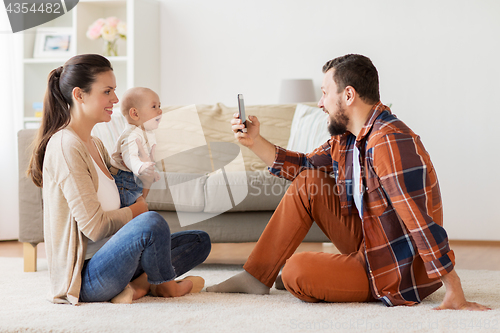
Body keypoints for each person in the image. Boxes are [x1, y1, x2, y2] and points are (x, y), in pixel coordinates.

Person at [207, 54, 491, 310]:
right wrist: (254, 141)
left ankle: (312, 277)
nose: (320, 103)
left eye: (325, 93)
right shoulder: (346, 139)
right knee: (309, 181)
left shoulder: (389, 141)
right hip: (371, 240)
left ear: (349, 95)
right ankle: (256, 276)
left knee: (296, 270)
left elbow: (417, 217)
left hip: (396, 268)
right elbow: (303, 166)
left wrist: (453, 286)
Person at [27, 54, 210, 305]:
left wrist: (145, 178)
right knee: (152, 221)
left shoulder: (96, 144)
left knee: (199, 240)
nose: (115, 99)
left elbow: (127, 202)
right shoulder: (65, 146)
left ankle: (137, 287)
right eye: (107, 91)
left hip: (118, 259)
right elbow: (95, 227)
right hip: (87, 278)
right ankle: (165, 287)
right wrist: (137, 212)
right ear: (79, 95)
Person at [110, 87, 162, 207]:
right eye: (154, 107)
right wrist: (142, 167)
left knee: (140, 206)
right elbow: (129, 157)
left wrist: (152, 172)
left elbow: (148, 159)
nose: (160, 111)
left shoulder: (146, 133)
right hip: (123, 180)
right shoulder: (132, 135)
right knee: (133, 209)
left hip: (133, 178)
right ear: (135, 113)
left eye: (159, 106)